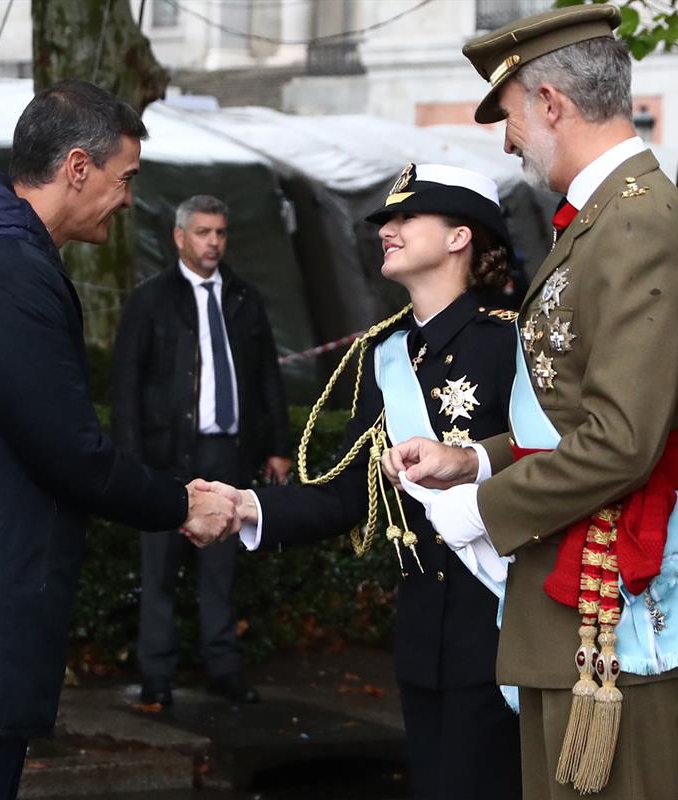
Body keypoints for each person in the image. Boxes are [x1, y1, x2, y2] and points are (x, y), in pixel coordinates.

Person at [381, 7, 678, 799]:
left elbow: (621, 442)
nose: (508, 140)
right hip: (584, 593)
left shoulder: (636, 225)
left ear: (552, 103)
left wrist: (482, 505)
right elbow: (577, 417)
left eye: (511, 115)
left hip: (621, 596)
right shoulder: (607, 219)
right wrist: (474, 458)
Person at [0, 81, 238, 800]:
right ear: (79, 168)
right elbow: (68, 450)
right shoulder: (7, 274)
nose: (127, 201)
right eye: (126, 180)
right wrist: (180, 502)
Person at [201, 164, 523, 799]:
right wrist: (246, 507)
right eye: (385, 221)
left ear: (461, 236)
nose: (388, 230)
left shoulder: (512, 340)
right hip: (423, 629)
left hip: (503, 621)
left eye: (406, 218)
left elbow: (558, 459)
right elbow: (348, 494)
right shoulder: (387, 356)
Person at [112, 194, 291, 706]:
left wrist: (277, 444)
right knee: (160, 570)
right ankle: (157, 676)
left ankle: (223, 669)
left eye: (220, 232)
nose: (213, 242)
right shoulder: (150, 300)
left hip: (228, 455)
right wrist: (129, 462)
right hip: (166, 458)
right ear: (179, 236)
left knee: (222, 570)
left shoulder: (243, 298)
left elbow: (267, 378)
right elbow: (125, 387)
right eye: (203, 232)